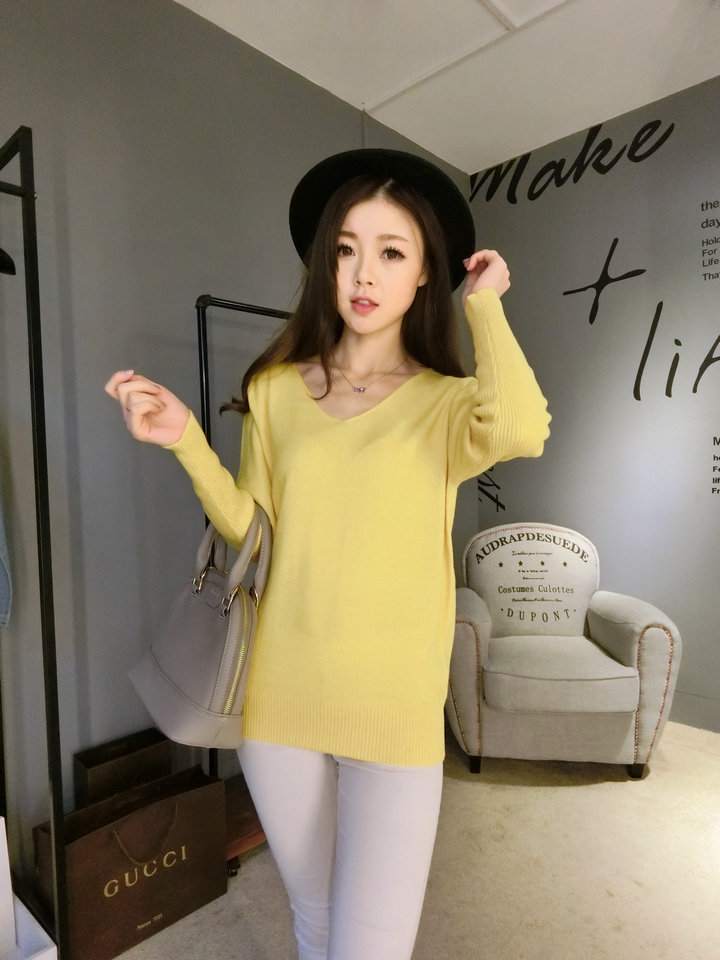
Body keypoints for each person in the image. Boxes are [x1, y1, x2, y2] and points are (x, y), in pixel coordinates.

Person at [105, 149, 550, 960]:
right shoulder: (275, 389)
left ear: (426, 273)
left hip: (394, 709)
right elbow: (251, 529)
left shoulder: (448, 405)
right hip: (279, 699)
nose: (363, 273)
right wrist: (186, 441)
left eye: (392, 251)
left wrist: (484, 305)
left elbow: (522, 430)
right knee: (313, 918)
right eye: (346, 249)